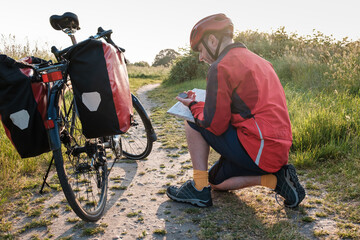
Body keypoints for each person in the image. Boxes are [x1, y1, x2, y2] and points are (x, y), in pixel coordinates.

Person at [166, 13, 305, 208]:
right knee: (216, 182)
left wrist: (193, 105)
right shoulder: (261, 61)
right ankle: (277, 180)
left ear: (212, 40)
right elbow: (247, 105)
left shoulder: (221, 66)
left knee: (191, 118)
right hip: (276, 149)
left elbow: (214, 124)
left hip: (257, 147)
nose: (200, 57)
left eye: (200, 50)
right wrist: (205, 102)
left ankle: (198, 188)